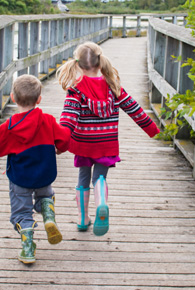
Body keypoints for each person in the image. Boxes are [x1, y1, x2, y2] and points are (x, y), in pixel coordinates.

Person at [56, 42, 160, 236]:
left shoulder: (75, 91)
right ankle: (101, 202)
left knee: (83, 177)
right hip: (106, 143)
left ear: (77, 64)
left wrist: (59, 143)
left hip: (84, 143)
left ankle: (82, 218)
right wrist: (152, 130)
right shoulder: (113, 87)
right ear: (100, 62)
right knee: (100, 178)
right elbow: (134, 108)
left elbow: (67, 120)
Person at [0, 75, 71, 264]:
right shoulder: (48, 120)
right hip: (45, 175)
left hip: (20, 179)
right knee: (45, 195)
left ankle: (28, 248)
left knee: (21, 213)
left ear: (13, 98)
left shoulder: (9, 127)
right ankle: (48, 212)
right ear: (39, 99)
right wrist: (58, 149)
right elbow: (65, 139)